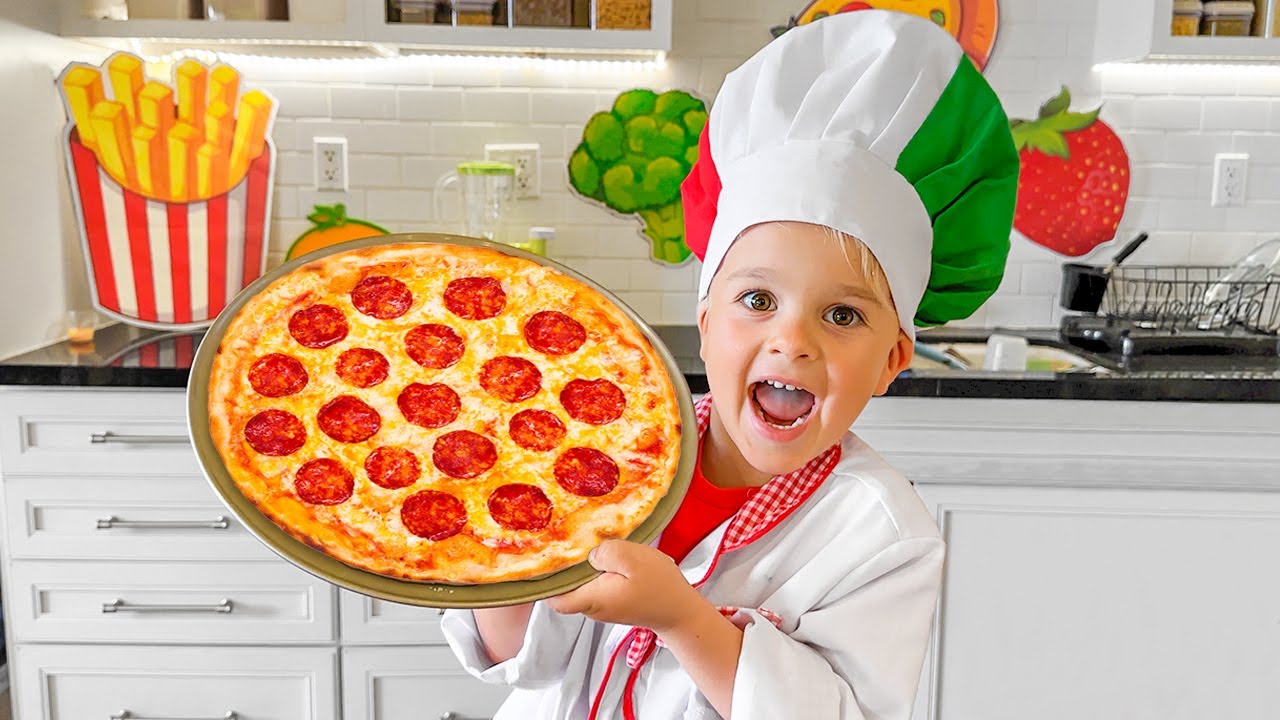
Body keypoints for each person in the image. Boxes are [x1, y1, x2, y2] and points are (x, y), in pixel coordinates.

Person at [442, 9, 1019, 719]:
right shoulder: (607, 453)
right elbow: (518, 660)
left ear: (891, 359)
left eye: (843, 315)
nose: (792, 340)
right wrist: (505, 541)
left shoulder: (882, 536)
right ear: (707, 323)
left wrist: (681, 617)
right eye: (758, 299)